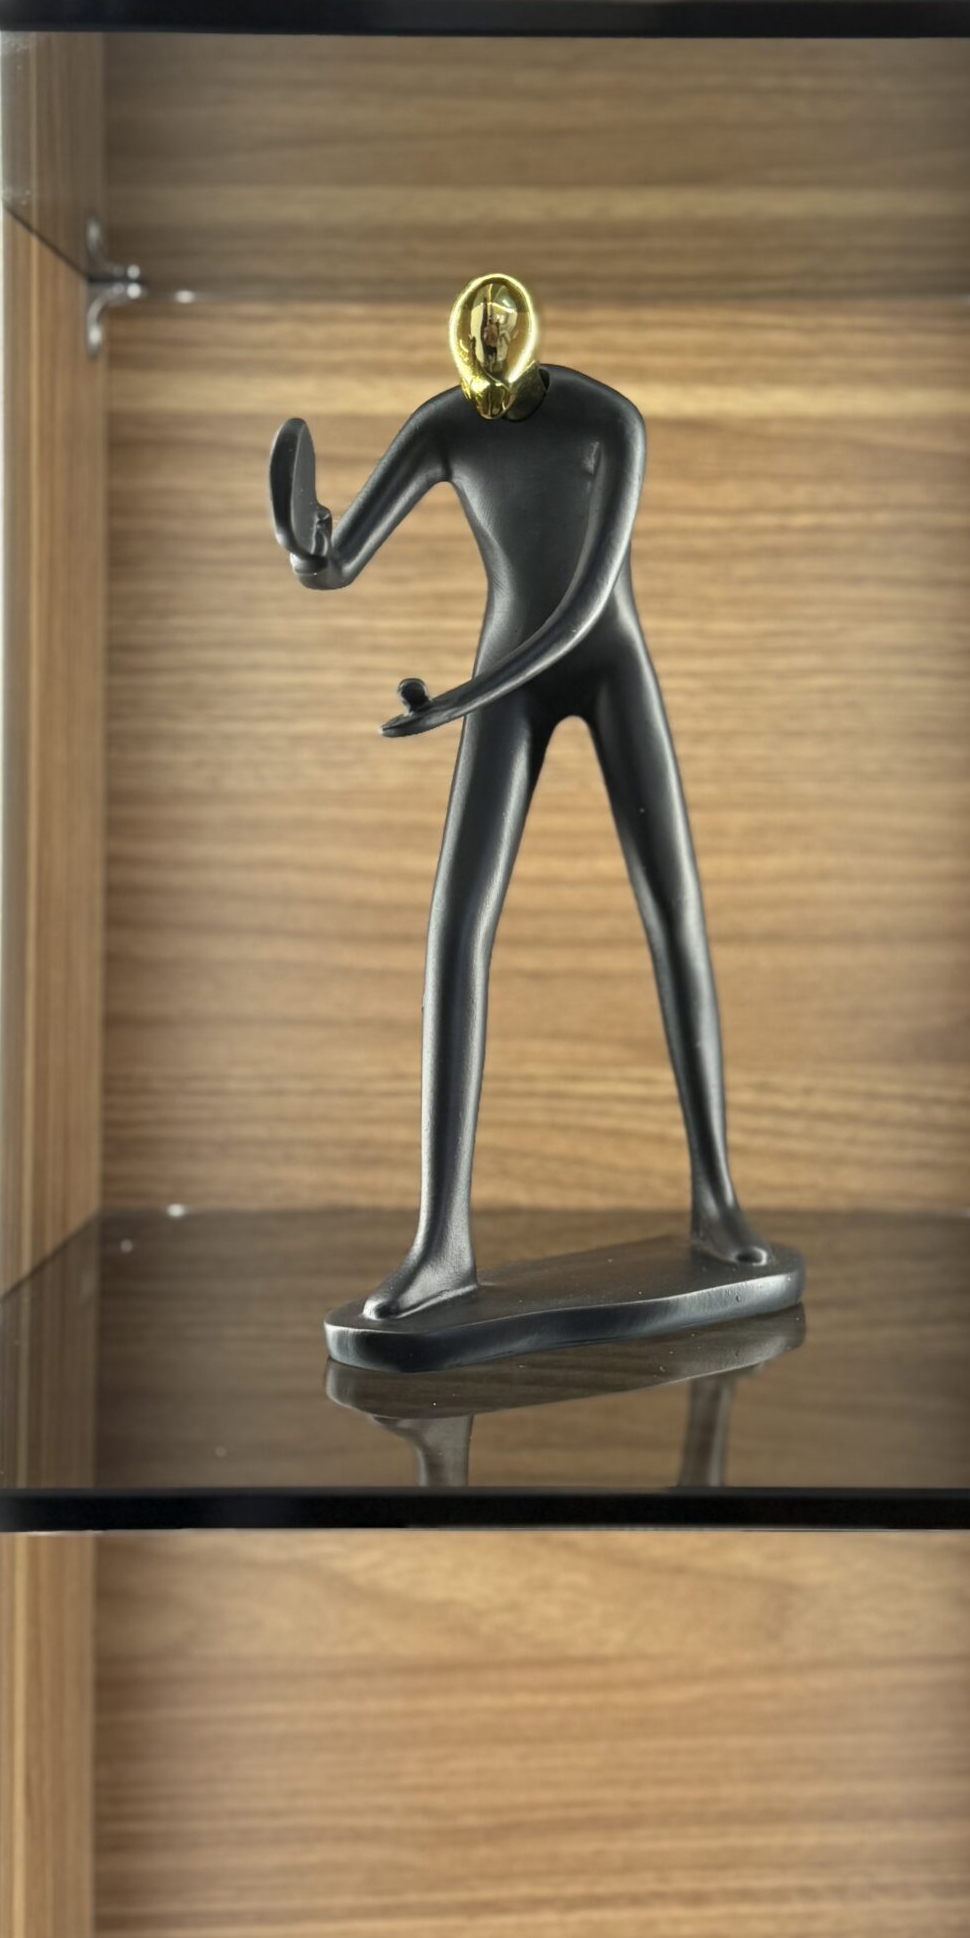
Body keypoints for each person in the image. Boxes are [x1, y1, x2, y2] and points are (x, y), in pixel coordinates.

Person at [271, 273, 774, 1324]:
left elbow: (585, 606)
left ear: (528, 337)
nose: (493, 359)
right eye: (478, 343)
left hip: (601, 663)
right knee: (456, 925)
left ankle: (717, 1201)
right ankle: (440, 1244)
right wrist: (308, 545)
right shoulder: (446, 426)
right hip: (506, 669)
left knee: (673, 909)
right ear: (465, 350)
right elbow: (340, 559)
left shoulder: (609, 423)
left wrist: (458, 700)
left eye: (505, 337)